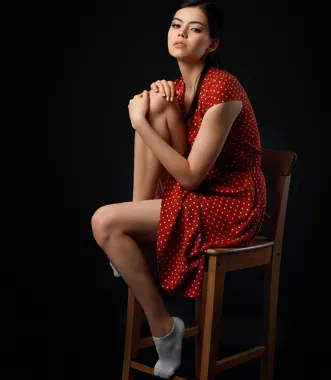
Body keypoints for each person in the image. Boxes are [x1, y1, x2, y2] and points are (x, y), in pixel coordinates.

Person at [91, 0, 266, 378]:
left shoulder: (223, 88)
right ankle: (135, 234)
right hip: (197, 194)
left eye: (196, 28)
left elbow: (188, 176)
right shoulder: (174, 88)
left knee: (104, 221)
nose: (182, 33)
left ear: (212, 44)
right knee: (155, 102)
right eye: (176, 25)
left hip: (230, 202)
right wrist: (151, 112)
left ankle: (164, 329)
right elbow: (180, 168)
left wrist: (140, 125)